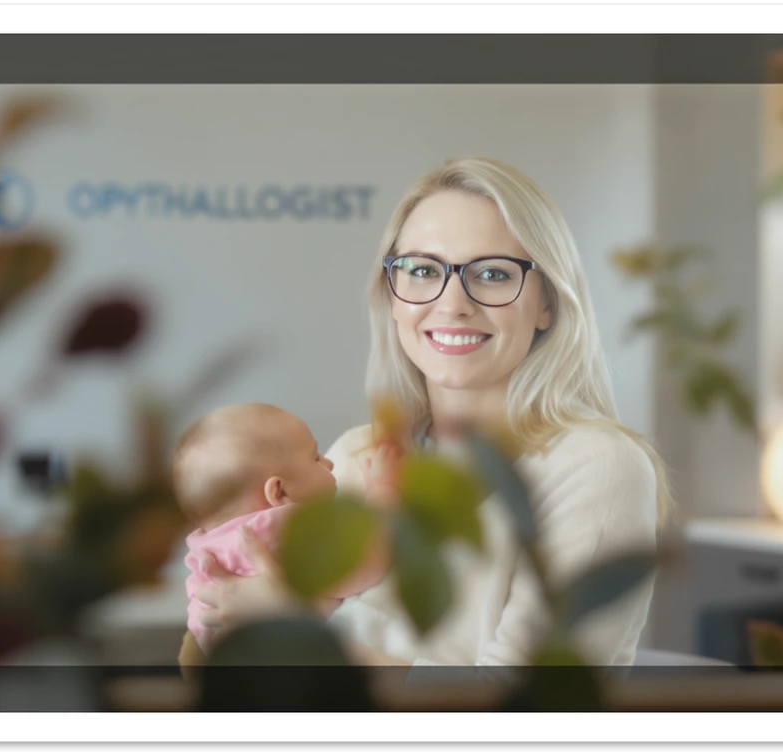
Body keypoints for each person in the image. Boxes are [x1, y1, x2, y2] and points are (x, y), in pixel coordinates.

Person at [183, 157, 675, 677]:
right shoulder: (352, 456)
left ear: (547, 303)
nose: (453, 303)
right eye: (422, 271)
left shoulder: (598, 466)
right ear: (392, 296)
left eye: (492, 274)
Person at [174, 403, 402, 655]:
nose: (329, 463)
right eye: (315, 457)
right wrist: (383, 489)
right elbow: (368, 563)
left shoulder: (207, 554)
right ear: (279, 491)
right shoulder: (286, 531)